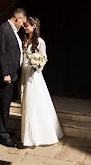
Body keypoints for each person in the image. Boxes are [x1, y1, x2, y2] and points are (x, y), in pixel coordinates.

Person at [20, 16, 63, 147]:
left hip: (34, 75)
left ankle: (37, 135)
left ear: (33, 27)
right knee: (25, 100)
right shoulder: (24, 40)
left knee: (33, 101)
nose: (25, 27)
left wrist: (37, 66)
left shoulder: (39, 41)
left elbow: (43, 58)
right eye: (25, 25)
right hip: (24, 73)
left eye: (27, 25)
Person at [0, 8, 27, 148]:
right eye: (22, 22)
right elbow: (1, 53)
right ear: (17, 18)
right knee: (4, 106)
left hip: (12, 74)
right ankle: (3, 135)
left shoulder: (13, 31)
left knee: (3, 105)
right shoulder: (4, 29)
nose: (23, 25)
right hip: (7, 76)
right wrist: (5, 73)